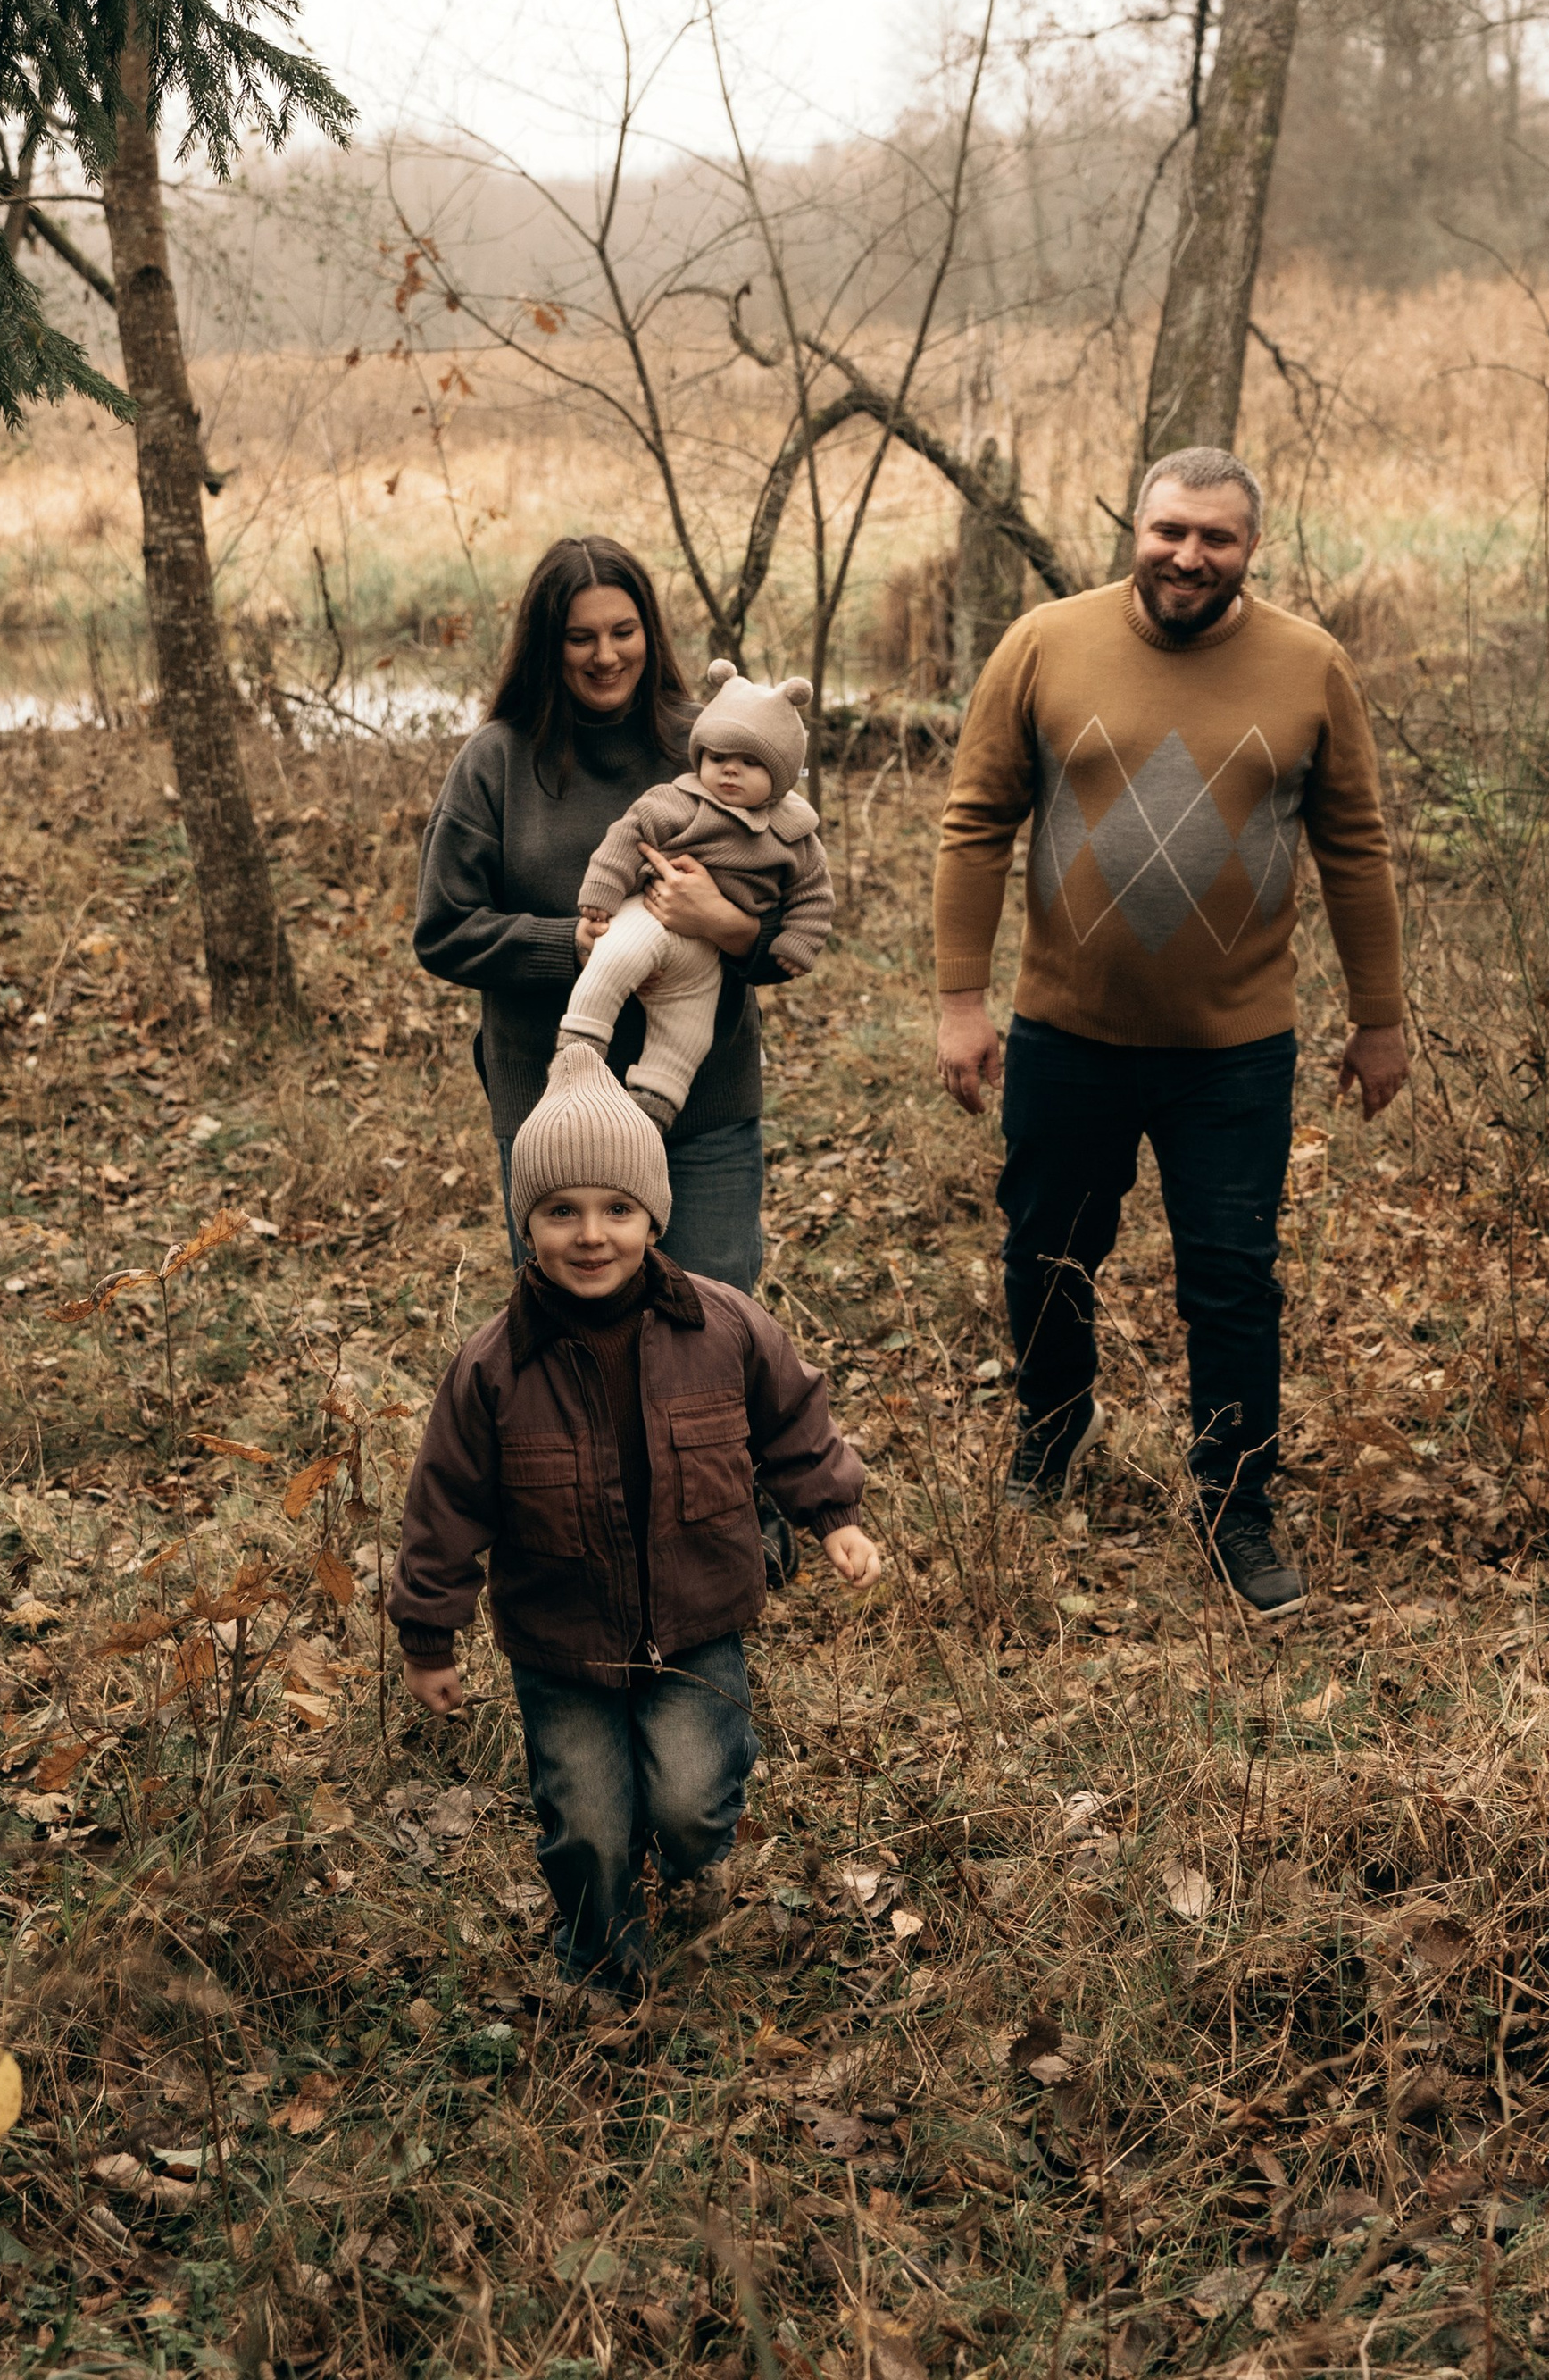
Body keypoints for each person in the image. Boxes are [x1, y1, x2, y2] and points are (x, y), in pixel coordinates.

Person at [931, 446, 1408, 1621]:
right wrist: (959, 1001)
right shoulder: (1045, 643)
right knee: (1045, 1249)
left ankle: (1236, 1503)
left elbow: (1356, 846)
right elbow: (975, 821)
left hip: (1235, 1048)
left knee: (1233, 1282)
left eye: (1217, 538)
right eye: (1169, 531)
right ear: (1134, 529)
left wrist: (1381, 1018)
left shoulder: (1310, 666)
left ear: (1251, 547)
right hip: (1066, 1032)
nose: (1188, 555)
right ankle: (1052, 1428)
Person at [388, 1043, 879, 1998]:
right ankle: (602, 1961)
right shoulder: (491, 1367)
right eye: (559, 1211)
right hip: (560, 1638)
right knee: (585, 1819)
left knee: (690, 1804)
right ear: (523, 1221)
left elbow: (793, 1423)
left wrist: (833, 1517)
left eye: (617, 1209)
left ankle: (692, 1860)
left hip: (696, 1619)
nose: (590, 1235)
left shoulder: (726, 1327)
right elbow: (444, 1502)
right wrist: (427, 1636)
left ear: (655, 1214)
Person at [413, 537, 787, 1294]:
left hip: (701, 1108)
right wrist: (572, 945)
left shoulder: (712, 745)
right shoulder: (498, 761)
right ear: (547, 646)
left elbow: (792, 926)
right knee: (574, 1355)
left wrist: (721, 919)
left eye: (623, 631)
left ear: (650, 631)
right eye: (580, 637)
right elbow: (444, 927)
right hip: (556, 1119)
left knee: (711, 1326)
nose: (605, 655)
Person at [560, 661, 834, 1129]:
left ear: (783, 773)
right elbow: (625, 839)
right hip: (648, 915)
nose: (730, 771)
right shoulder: (675, 802)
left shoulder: (795, 835)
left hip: (707, 956)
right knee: (613, 958)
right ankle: (579, 1053)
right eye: (718, 758)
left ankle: (654, 1101)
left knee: (688, 1029)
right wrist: (602, 892)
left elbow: (814, 895)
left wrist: (797, 942)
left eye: (751, 763)